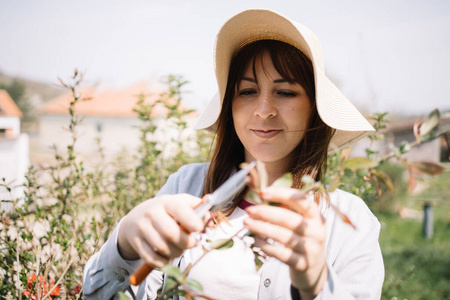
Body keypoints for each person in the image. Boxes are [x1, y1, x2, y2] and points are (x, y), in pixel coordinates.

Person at [83, 9, 384, 300]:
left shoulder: (352, 223)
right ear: (230, 105)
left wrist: (317, 284)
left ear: (315, 110)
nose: (264, 110)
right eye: (247, 91)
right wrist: (124, 244)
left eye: (285, 92)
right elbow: (103, 294)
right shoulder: (186, 186)